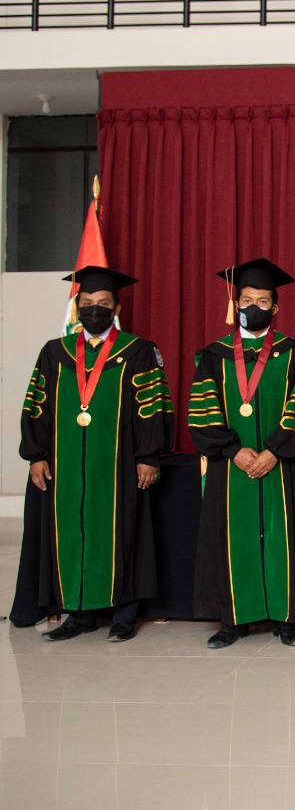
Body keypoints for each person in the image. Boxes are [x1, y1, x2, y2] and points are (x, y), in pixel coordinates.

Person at [21, 266, 174, 642]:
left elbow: (154, 409)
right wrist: (36, 455)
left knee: (123, 531)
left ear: (116, 307)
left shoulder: (138, 351)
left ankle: (123, 615)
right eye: (87, 303)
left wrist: (149, 457)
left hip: (118, 464)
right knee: (73, 533)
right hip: (66, 465)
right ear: (76, 308)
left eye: (103, 304)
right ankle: (79, 613)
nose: (94, 310)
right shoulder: (54, 353)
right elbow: (36, 407)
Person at [190, 258, 295, 648]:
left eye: (263, 302)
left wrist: (274, 451)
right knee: (234, 537)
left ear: (275, 308)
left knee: (280, 537)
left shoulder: (292, 353)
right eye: (247, 299)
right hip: (231, 467)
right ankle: (233, 620)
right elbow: (203, 410)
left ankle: (285, 618)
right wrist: (234, 450)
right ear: (235, 302)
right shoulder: (213, 356)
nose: (254, 308)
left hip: (277, 465)